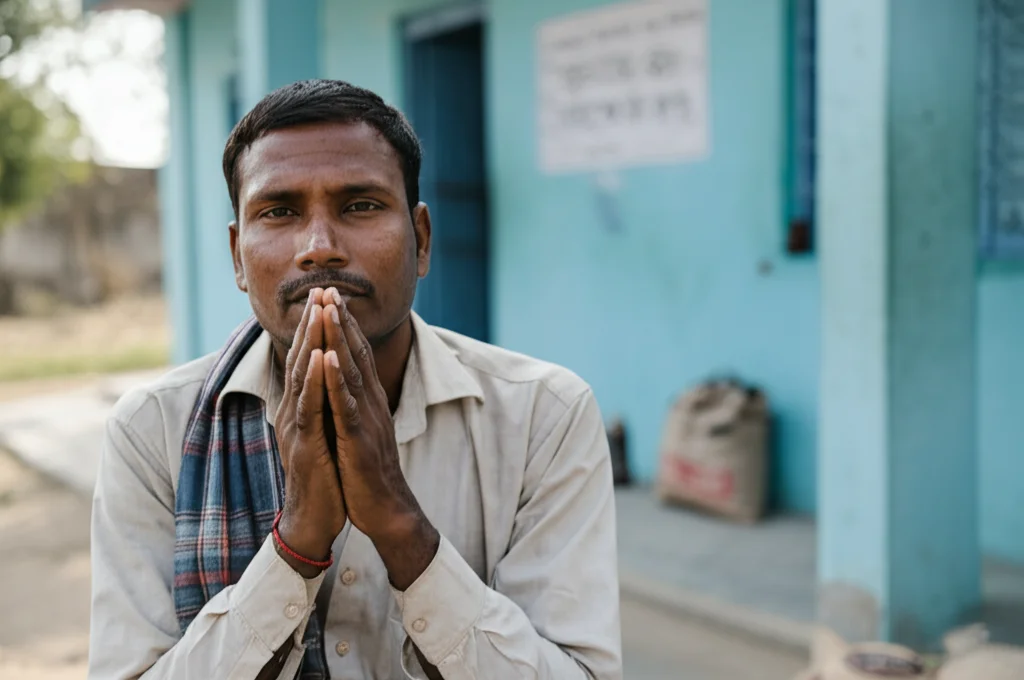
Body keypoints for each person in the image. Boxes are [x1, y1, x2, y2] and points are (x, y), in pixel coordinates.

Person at [88, 79, 621, 680]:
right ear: (238, 257)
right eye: (279, 211)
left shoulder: (542, 415)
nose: (319, 249)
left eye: (360, 205)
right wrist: (296, 544)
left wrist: (400, 525)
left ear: (420, 241)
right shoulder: (153, 430)